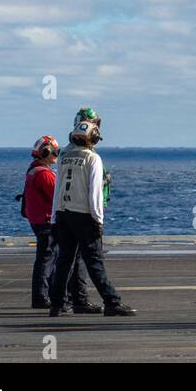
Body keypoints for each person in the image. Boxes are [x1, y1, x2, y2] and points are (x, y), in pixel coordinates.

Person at [48, 109, 136, 316]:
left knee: (64, 260)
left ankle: (57, 304)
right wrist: (98, 220)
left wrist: (54, 216)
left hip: (63, 213)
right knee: (94, 261)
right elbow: (95, 192)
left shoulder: (63, 156)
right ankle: (112, 302)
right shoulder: (92, 159)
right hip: (83, 216)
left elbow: (58, 188)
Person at [20, 135, 94, 312]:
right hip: (46, 221)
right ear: (46, 152)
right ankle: (42, 297)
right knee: (48, 259)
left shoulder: (33, 170)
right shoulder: (44, 174)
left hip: (37, 220)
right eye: (55, 152)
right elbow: (58, 194)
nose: (56, 156)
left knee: (46, 259)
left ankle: (44, 295)